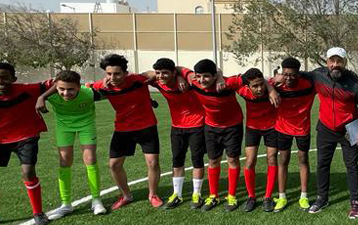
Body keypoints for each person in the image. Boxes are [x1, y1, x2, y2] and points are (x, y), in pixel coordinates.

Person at [0, 62, 52, 225]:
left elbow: (59, 80)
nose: (0, 81)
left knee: (28, 172)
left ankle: (38, 213)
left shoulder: (28, 90)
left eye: (5, 77)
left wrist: (42, 96)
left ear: (13, 78)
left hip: (27, 136)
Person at [90, 54, 163, 210]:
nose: (113, 77)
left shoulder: (138, 80)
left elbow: (153, 74)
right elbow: (82, 89)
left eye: (117, 73)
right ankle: (126, 195)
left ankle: (153, 194)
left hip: (147, 126)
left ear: (125, 73)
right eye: (109, 74)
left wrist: (153, 75)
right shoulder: (102, 86)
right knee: (114, 165)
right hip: (122, 129)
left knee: (153, 162)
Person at [308, 47, 358, 219]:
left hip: (349, 129)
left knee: (351, 166)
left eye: (339, 61)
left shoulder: (355, 83)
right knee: (322, 164)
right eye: (332, 61)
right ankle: (322, 198)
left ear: (345, 62)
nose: (335, 64)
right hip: (326, 128)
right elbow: (296, 76)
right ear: (327, 62)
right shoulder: (317, 75)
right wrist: (272, 85)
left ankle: (355, 202)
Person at [35, 69, 106, 219]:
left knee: (90, 159)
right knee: (64, 161)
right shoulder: (51, 94)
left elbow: (112, 91)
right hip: (64, 128)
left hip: (86, 125)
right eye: (62, 89)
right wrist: (42, 97)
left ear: (79, 87)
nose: (66, 93)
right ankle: (66, 204)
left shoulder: (89, 93)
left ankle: (96, 200)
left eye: (71, 89)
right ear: (56, 86)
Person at [178, 59, 245, 212]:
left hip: (232, 126)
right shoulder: (194, 81)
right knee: (213, 160)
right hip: (211, 127)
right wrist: (181, 77)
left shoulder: (228, 84)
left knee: (232, 159)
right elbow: (178, 68)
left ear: (214, 76)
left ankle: (232, 196)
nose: (202, 80)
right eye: (199, 76)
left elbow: (250, 76)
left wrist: (272, 90)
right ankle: (213, 195)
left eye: (206, 76)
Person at [150, 58, 206, 210]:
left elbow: (196, 73)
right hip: (177, 127)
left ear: (174, 72)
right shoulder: (158, 82)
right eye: (158, 73)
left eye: (165, 73)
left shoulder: (189, 81)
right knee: (177, 161)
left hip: (197, 125)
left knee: (197, 159)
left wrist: (182, 76)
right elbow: (143, 76)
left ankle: (197, 194)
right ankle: (177, 194)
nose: (161, 76)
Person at [272, 57, 315, 211]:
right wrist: (271, 88)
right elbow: (261, 83)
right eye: (286, 74)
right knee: (283, 160)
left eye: (293, 75)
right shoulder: (277, 84)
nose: (289, 78)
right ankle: (282, 196)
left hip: (303, 128)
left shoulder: (309, 84)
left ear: (299, 74)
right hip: (283, 128)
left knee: (303, 159)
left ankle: (304, 196)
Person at [236, 67, 279, 212]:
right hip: (252, 128)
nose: (260, 88)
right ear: (247, 86)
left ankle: (268, 197)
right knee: (249, 161)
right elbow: (225, 77)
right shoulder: (242, 91)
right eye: (255, 86)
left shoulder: (271, 86)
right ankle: (251, 197)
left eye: (261, 84)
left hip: (272, 128)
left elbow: (279, 78)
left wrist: (271, 88)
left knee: (272, 159)